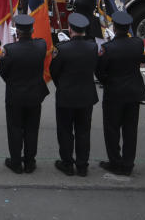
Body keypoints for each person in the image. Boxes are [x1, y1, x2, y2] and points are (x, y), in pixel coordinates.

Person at [95, 10, 145, 176]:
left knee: (112, 129)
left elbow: (100, 71)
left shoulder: (107, 48)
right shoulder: (138, 43)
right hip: (133, 92)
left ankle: (115, 162)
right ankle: (128, 163)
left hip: (114, 93)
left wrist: (107, 82)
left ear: (114, 28)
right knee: (130, 130)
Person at [0, 14, 49, 174]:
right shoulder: (41, 46)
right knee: (32, 129)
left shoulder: (9, 50)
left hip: (15, 95)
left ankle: (15, 162)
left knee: (15, 128)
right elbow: (39, 42)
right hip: (35, 95)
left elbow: (3, 72)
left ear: (17, 32)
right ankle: (29, 162)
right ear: (32, 30)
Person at [49, 13, 98, 177]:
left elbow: (54, 71)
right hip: (86, 96)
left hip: (66, 96)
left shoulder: (62, 49)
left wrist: (62, 85)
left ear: (70, 29)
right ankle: (82, 165)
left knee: (65, 131)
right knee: (84, 131)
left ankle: (67, 163)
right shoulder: (93, 47)